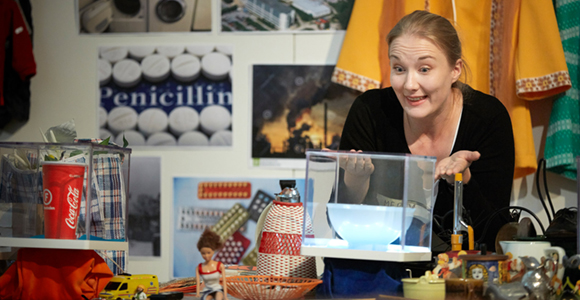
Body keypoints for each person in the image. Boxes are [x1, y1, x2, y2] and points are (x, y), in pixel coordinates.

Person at [338, 10, 515, 252]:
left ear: (455, 70)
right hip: (382, 276)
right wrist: (354, 180)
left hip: (459, 277)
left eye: (424, 69)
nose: (410, 85)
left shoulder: (488, 118)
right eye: (399, 69)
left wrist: (463, 182)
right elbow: (339, 225)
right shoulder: (369, 111)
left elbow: (497, 233)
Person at [196, 228, 228, 300]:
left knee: (218, 297)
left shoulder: (219, 266)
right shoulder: (199, 267)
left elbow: (224, 281)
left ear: (213, 251)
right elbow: (198, 282)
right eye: (203, 253)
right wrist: (198, 293)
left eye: (209, 253)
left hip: (218, 290)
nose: (206, 256)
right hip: (207, 290)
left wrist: (225, 296)